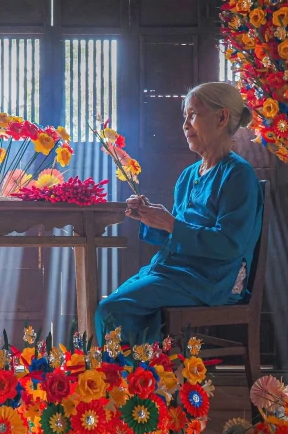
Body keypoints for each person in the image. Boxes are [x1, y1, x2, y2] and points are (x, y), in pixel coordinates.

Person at [94, 82, 264, 346]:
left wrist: (172, 224)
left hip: (211, 279)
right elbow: (176, 238)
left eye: (193, 115)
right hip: (176, 272)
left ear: (222, 117)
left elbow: (231, 244)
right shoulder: (188, 176)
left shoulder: (238, 175)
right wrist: (150, 217)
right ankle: (150, 376)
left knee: (114, 310)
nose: (185, 125)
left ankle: (136, 382)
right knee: (110, 304)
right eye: (185, 117)